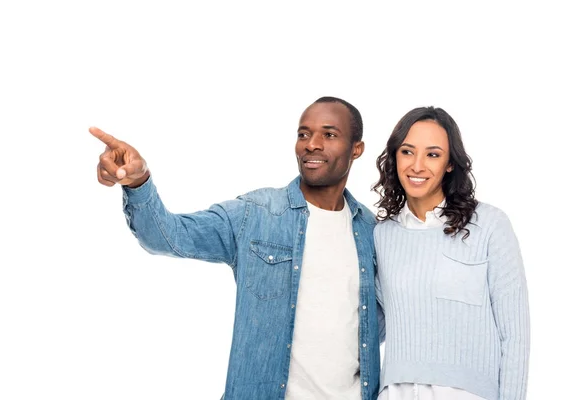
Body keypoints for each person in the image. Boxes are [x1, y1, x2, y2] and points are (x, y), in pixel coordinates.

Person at [90, 97, 382, 400]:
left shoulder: (372, 233)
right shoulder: (255, 214)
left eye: (329, 134)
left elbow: (374, 327)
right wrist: (139, 181)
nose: (311, 144)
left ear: (356, 149)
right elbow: (167, 236)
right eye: (303, 134)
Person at [372, 107, 530, 400]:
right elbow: (375, 327)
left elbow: (515, 336)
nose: (417, 165)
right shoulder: (382, 235)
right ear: (394, 157)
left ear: (449, 163)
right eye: (407, 152)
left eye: (432, 154)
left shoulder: (489, 225)